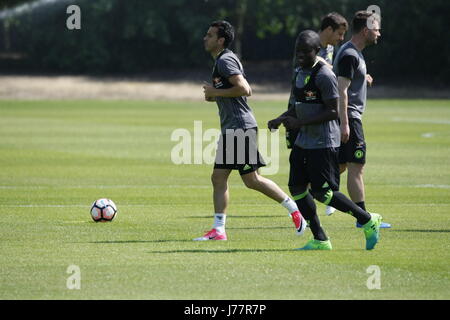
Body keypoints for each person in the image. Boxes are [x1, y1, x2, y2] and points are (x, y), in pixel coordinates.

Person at [268, 30, 382, 250]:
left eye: (305, 52)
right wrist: (281, 118)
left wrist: (300, 123)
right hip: (303, 142)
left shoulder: (324, 75)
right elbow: (297, 105)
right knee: (297, 187)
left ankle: (368, 219)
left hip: (323, 143)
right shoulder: (299, 72)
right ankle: (320, 238)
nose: (300, 55)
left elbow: (333, 111)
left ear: (316, 51)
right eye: (297, 52)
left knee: (323, 193)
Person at [194, 20, 306, 241]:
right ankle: (219, 230)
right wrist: (215, 94)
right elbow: (230, 91)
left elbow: (245, 89)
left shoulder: (225, 60)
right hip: (233, 128)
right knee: (219, 178)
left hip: (240, 128)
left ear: (221, 40)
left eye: (209, 35)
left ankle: (296, 210)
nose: (205, 38)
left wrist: (216, 93)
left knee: (252, 180)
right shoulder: (221, 61)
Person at [332, 11, 391, 228]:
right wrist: (345, 122)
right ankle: (364, 219)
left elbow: (345, 79)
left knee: (338, 167)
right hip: (350, 116)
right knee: (357, 166)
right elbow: (341, 90)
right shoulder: (350, 54)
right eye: (376, 29)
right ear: (365, 30)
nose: (379, 34)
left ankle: (304, 196)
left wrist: (362, 79)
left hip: (348, 116)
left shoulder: (353, 53)